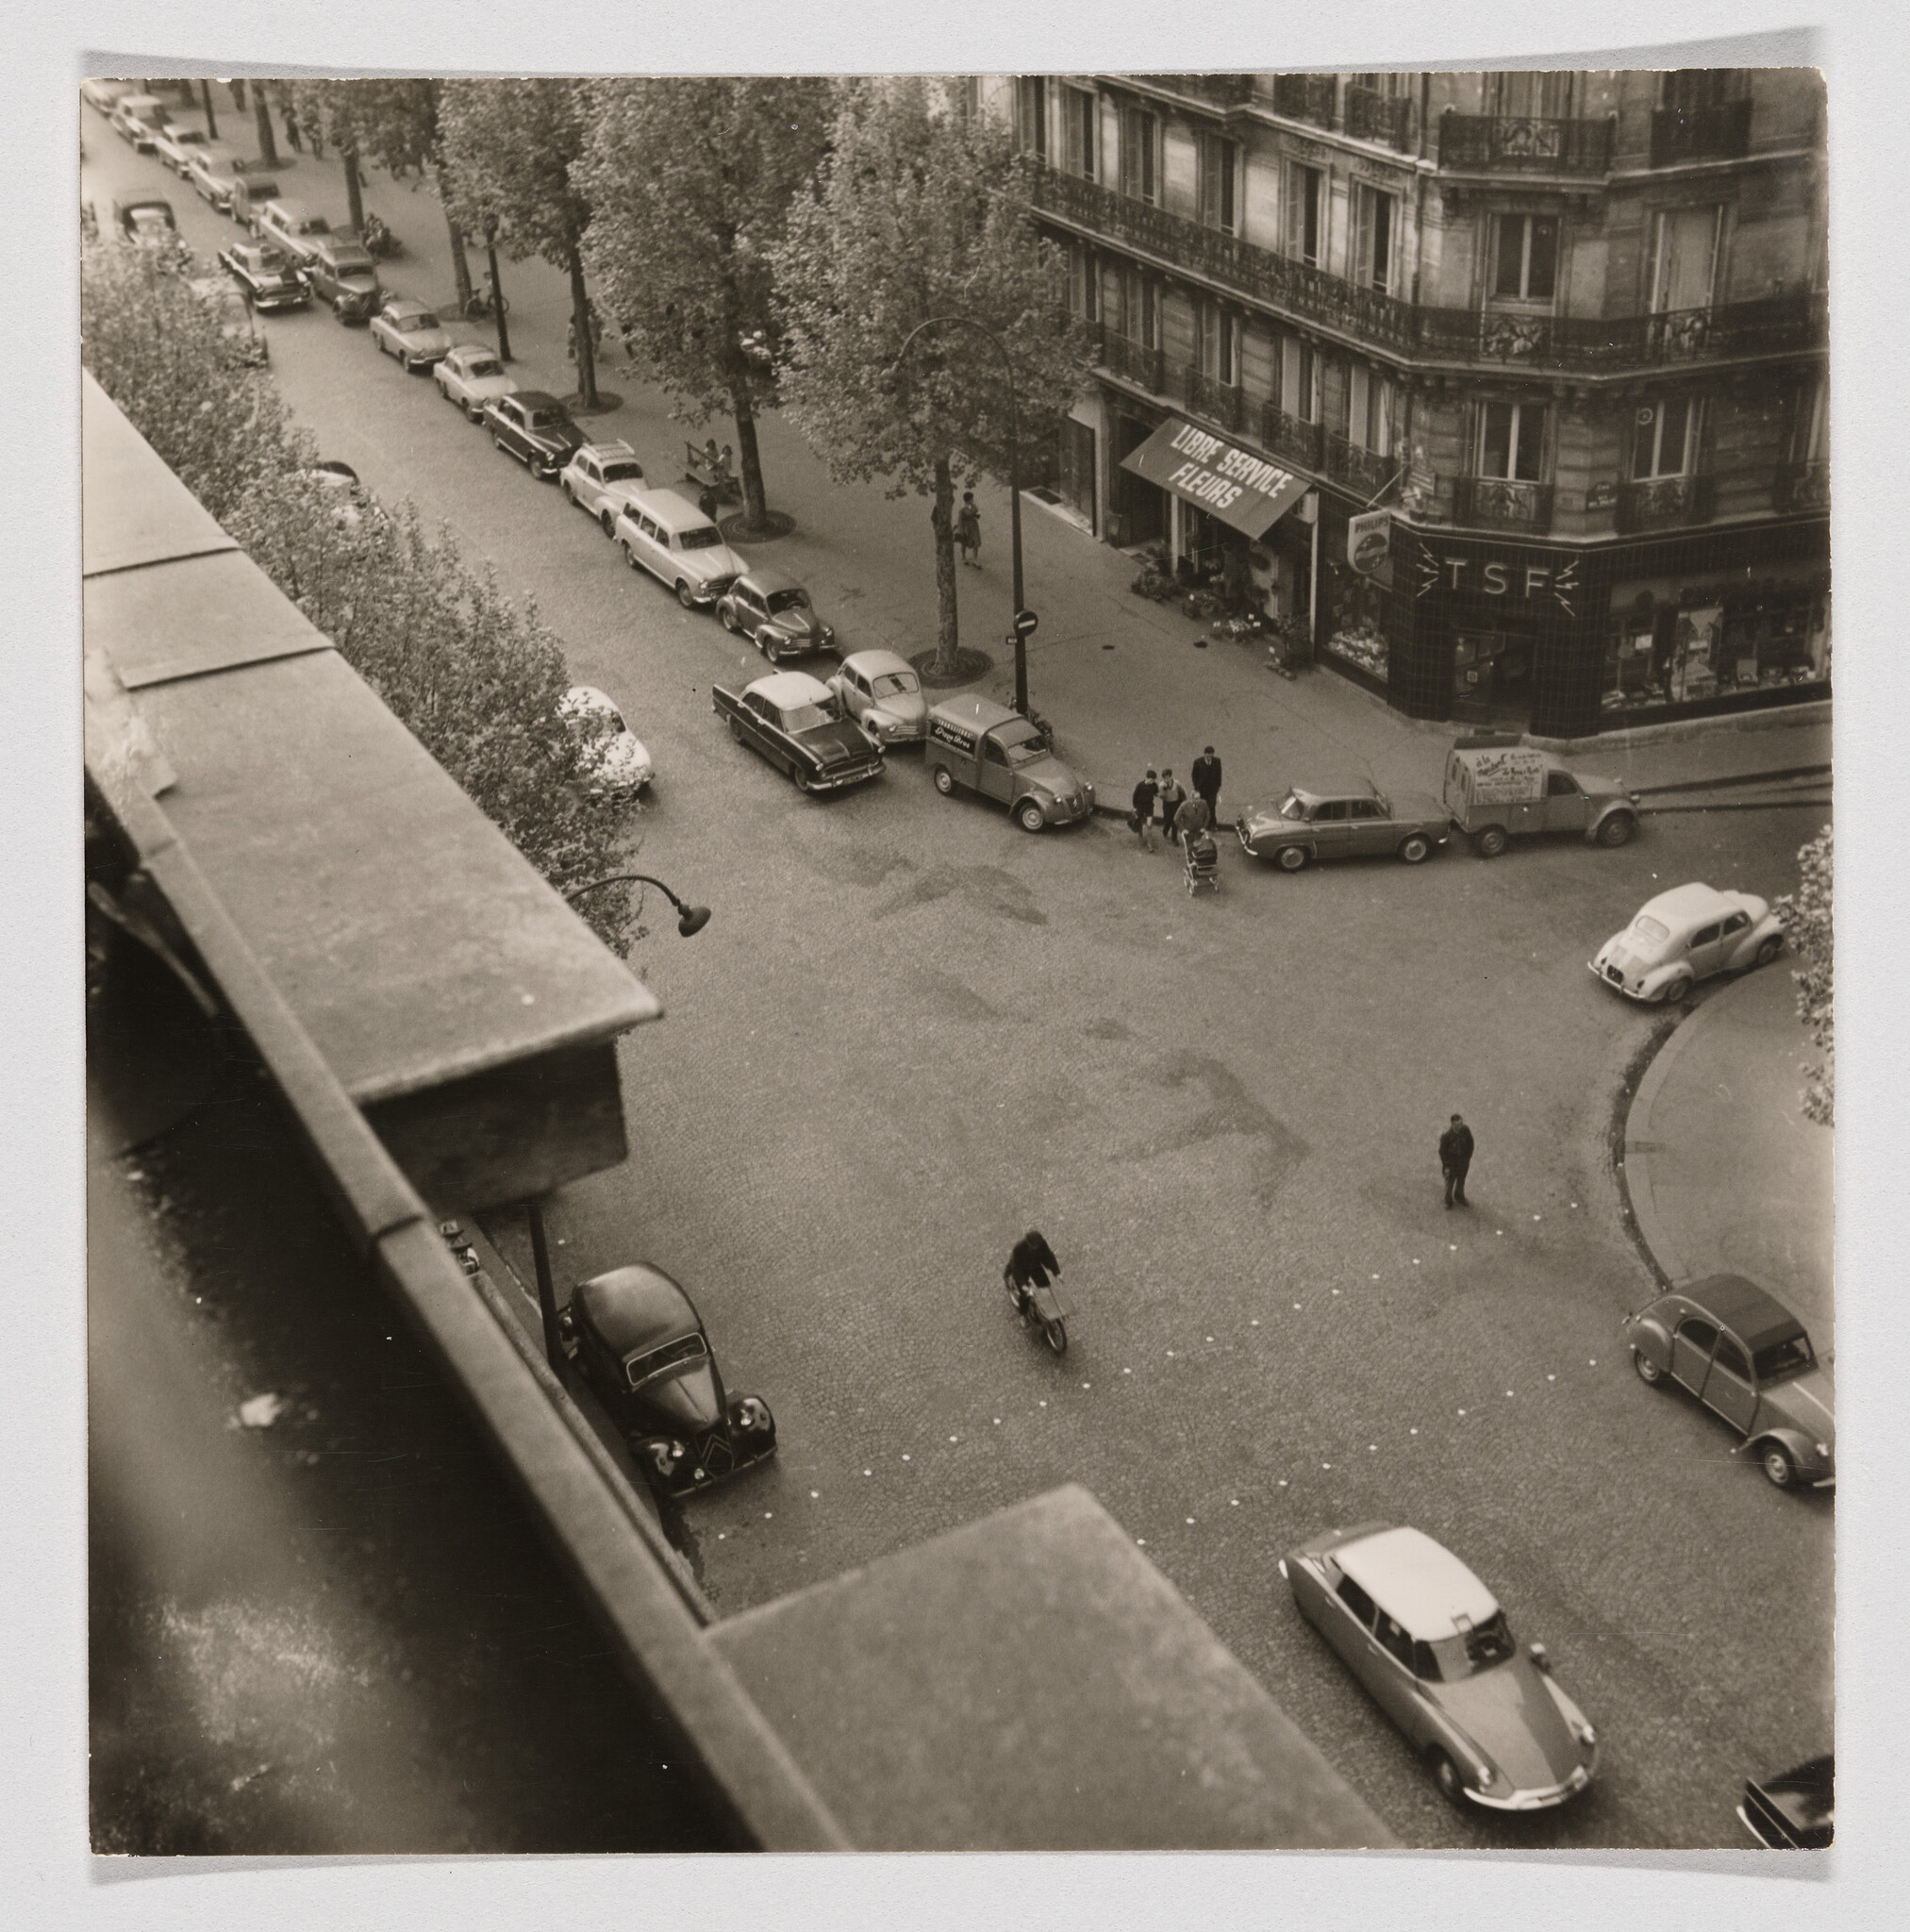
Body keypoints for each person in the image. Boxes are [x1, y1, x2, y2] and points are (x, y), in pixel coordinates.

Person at [1005, 1229, 1060, 1316]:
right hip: (1022, 1268)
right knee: (1025, 1295)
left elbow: (1048, 1256)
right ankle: (1023, 1314)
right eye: (1034, 1246)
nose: (1036, 1247)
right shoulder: (1018, 1249)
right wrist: (1023, 1284)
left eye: (1037, 1245)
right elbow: (1016, 1268)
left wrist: (1056, 1272)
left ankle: (1048, 1309)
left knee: (1045, 1287)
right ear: (1028, 1243)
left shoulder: (1042, 1243)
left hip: (1035, 1265)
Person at [1439, 1113, 1475, 1208]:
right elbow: (1442, 1153)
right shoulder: (1446, 1137)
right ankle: (1448, 1201)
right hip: (1451, 1165)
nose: (1460, 1126)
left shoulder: (1465, 1130)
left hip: (1463, 1163)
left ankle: (1459, 1196)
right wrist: (1446, 1166)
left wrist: (1468, 1157)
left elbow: (1471, 1144)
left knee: (1461, 1181)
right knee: (1450, 1184)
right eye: (1457, 1125)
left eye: (1461, 1123)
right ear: (1452, 1124)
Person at [1191, 746, 1222, 824]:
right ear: (1205, 754)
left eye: (1211, 755)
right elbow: (1194, 775)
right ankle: (1202, 824)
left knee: (1212, 807)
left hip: (1212, 789)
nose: (1209, 757)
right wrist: (1196, 788)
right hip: (1201, 789)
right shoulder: (1198, 762)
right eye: (1208, 755)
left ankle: (1212, 824)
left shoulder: (1217, 761)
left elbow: (1219, 773)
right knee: (1201, 806)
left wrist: (1218, 785)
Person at [1131, 768, 1160, 852]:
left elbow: (1156, 793)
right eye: (1151, 780)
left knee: (1149, 825)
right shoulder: (1140, 785)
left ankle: (1149, 844)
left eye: (1154, 780)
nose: (1153, 781)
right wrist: (1135, 807)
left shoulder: (1154, 785)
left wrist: (1161, 794)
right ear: (1147, 778)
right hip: (1140, 807)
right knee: (1140, 822)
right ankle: (1140, 835)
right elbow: (1134, 797)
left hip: (1149, 807)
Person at [1155, 769, 1186, 849]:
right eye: (1164, 778)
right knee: (1168, 820)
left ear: (1170, 776)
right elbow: (1162, 797)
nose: (1166, 779)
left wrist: (1184, 801)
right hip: (1167, 804)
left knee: (1175, 820)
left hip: (1176, 803)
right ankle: (1165, 830)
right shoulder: (1161, 785)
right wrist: (1164, 792)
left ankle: (1174, 838)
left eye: (1167, 777)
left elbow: (1182, 791)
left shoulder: (1176, 783)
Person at [956, 491, 982, 568]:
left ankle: (975, 559)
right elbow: (960, 521)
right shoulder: (962, 509)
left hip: (974, 526)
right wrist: (961, 530)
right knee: (964, 543)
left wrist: (978, 514)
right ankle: (963, 557)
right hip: (966, 527)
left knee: (975, 542)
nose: (973, 500)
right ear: (968, 500)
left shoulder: (974, 506)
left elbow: (977, 514)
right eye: (971, 499)